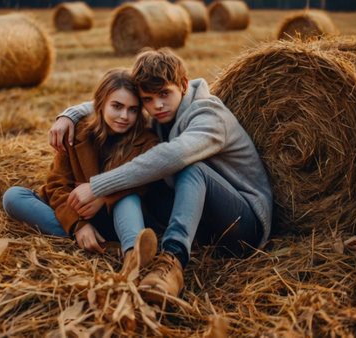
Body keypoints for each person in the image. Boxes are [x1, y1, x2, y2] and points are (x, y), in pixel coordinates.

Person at [49, 48, 273, 305]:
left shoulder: (209, 115)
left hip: (243, 224)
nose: (156, 105)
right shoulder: (159, 113)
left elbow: (174, 156)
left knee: (191, 168)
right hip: (201, 223)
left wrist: (98, 187)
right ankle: (128, 242)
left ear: (184, 86)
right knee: (144, 184)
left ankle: (172, 261)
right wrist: (71, 114)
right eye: (148, 99)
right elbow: (107, 102)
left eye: (164, 94)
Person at [3, 68, 160, 277]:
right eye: (117, 106)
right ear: (100, 104)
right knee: (13, 197)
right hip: (79, 213)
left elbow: (143, 183)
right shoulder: (77, 133)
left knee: (127, 197)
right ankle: (93, 241)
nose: (124, 116)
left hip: (122, 219)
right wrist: (79, 225)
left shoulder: (147, 141)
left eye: (132, 109)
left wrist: (103, 195)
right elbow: (56, 184)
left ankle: (133, 254)